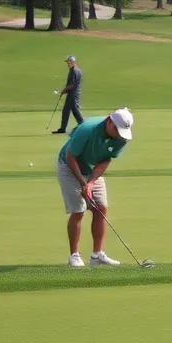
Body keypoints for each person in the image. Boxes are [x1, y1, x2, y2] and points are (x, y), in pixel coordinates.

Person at [56, 108, 134, 267]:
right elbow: (71, 157)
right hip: (69, 167)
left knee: (101, 208)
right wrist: (82, 183)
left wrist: (90, 182)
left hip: (90, 170)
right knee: (78, 210)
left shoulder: (121, 137)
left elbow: (105, 160)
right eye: (116, 130)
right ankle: (74, 256)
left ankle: (97, 255)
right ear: (109, 121)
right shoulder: (87, 130)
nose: (119, 134)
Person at [52, 55, 83, 134]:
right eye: (67, 62)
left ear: (73, 62)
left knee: (75, 110)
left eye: (69, 62)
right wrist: (65, 91)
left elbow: (73, 85)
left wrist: (63, 90)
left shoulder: (75, 71)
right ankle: (63, 128)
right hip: (71, 93)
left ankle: (83, 125)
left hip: (74, 94)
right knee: (66, 110)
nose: (67, 64)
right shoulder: (72, 70)